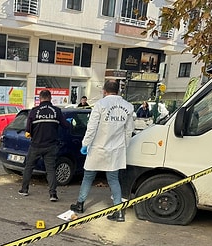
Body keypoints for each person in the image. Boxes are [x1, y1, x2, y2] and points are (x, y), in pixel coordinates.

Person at [69, 79, 135, 222]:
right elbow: (129, 131)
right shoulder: (128, 107)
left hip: (98, 148)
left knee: (88, 177)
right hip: (116, 150)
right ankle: (119, 212)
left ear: (104, 91)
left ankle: (80, 204)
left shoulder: (100, 105)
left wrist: (85, 144)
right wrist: (125, 147)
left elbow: (91, 128)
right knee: (113, 180)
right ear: (118, 91)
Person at [18, 89, 70, 202]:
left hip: (36, 145)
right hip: (51, 146)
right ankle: (53, 194)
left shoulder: (34, 111)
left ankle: (24, 189)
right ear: (50, 98)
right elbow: (66, 125)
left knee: (29, 167)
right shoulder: (56, 111)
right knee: (50, 170)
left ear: (40, 98)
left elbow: (28, 130)